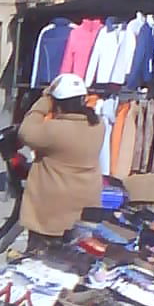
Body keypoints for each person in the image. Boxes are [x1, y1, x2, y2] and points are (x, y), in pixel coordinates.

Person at [18, 71, 104, 245]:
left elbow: (25, 131)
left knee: (42, 259)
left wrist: (45, 100)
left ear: (56, 104)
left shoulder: (54, 130)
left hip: (53, 211)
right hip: (86, 203)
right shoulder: (98, 125)